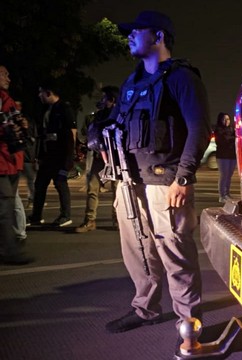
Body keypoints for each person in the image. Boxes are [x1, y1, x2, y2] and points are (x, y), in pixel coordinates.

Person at [99, 11, 211, 337]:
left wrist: (184, 177)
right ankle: (145, 309)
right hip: (128, 179)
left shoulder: (181, 78)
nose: (130, 36)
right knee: (138, 251)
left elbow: (198, 129)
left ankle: (190, 323)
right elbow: (117, 123)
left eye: (137, 31)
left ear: (159, 36)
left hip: (165, 181)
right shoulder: (131, 82)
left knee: (175, 251)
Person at [28, 80, 76, 227]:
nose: (39, 95)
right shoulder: (46, 109)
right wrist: (39, 156)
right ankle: (36, 216)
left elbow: (71, 133)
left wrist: (69, 158)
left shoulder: (64, 108)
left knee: (60, 183)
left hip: (59, 154)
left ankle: (65, 215)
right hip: (48, 155)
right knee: (40, 184)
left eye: (41, 92)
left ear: (48, 92)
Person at [74, 86, 119, 233]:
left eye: (104, 97)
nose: (102, 100)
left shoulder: (120, 114)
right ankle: (89, 220)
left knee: (118, 191)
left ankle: (118, 220)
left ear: (112, 100)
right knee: (92, 188)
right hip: (100, 156)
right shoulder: (99, 115)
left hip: (117, 158)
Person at [0, 65, 32, 265]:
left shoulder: (6, 98)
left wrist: (20, 125)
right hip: (3, 162)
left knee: (7, 207)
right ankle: (9, 251)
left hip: (10, 161)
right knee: (4, 209)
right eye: (4, 74)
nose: (8, 78)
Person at [213, 112, 236, 202]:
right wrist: (234, 138)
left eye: (228, 119)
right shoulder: (218, 130)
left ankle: (227, 193)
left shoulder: (231, 129)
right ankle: (222, 195)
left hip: (232, 156)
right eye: (225, 119)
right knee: (224, 175)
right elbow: (224, 140)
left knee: (229, 176)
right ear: (221, 120)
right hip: (223, 156)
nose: (227, 121)